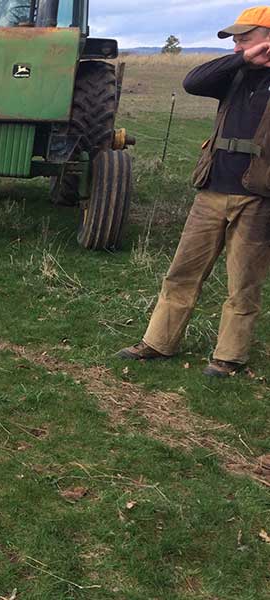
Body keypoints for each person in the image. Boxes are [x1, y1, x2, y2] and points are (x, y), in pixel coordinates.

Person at [117, 6, 270, 377]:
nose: (237, 45)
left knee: (243, 282)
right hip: (212, 189)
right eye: (235, 39)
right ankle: (158, 342)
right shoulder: (232, 75)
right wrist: (241, 60)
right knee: (182, 271)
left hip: (258, 195)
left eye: (245, 38)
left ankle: (229, 357)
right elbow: (192, 81)